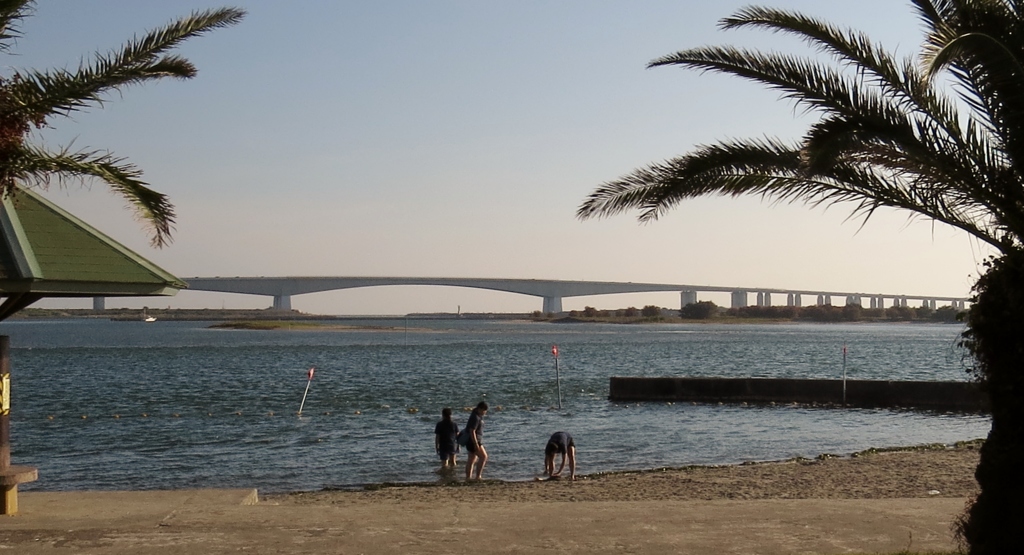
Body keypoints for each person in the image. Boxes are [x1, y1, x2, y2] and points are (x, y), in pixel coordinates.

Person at [464, 401, 488, 481]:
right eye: (484, 410)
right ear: (480, 409)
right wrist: (476, 443)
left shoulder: (476, 416)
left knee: (471, 459)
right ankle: (478, 476)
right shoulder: (475, 417)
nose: (485, 412)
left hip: (472, 440)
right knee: (483, 457)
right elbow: (472, 431)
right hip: (474, 440)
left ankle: (468, 477)